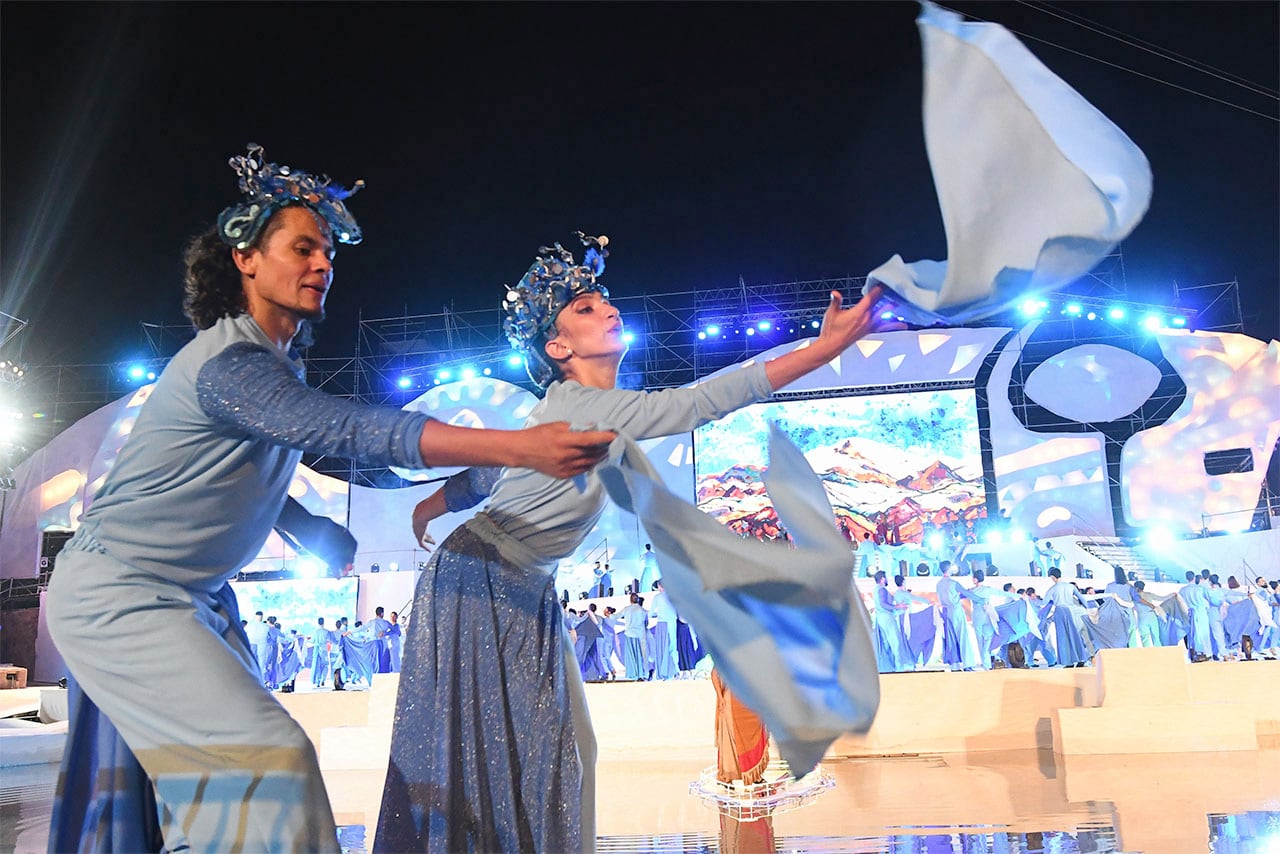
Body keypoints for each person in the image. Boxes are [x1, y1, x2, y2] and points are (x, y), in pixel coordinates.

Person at [43, 146, 616, 854]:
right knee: (270, 769)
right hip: (120, 593)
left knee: (224, 799)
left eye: (328, 252)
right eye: (302, 248)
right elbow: (347, 428)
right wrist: (516, 447)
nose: (323, 264)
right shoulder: (231, 363)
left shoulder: (271, 363)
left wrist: (306, 520)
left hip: (188, 599)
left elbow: (220, 472)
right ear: (246, 258)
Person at [376, 234, 896, 851]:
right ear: (559, 346)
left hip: (515, 583)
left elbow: (488, 474)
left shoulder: (567, 406)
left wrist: (430, 505)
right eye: (588, 309)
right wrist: (824, 348)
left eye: (605, 302)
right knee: (521, 751)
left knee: (557, 749)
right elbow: (700, 402)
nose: (609, 310)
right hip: (483, 577)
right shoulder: (589, 405)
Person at [1043, 568, 1092, 667]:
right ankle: (1081, 659)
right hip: (1071, 611)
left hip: (1060, 612)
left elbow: (1044, 602)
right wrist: (1088, 609)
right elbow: (1082, 598)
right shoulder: (1070, 586)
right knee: (1075, 635)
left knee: (1063, 637)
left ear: (1052, 577)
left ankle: (1068, 662)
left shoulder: (1053, 588)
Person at [871, 570, 911, 673]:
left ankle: (890, 667)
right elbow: (883, 604)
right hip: (887, 618)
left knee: (887, 643)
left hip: (881, 618)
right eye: (886, 577)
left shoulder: (876, 589)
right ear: (882, 579)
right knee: (895, 641)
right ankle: (899, 667)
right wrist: (897, 606)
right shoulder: (882, 589)